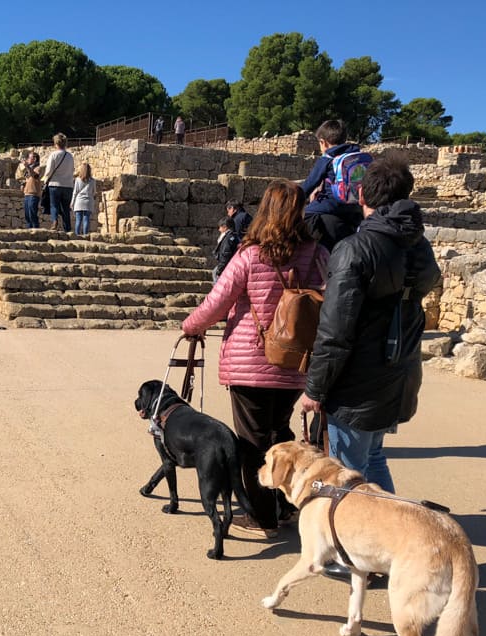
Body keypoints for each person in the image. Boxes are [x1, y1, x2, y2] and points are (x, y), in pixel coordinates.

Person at [298, 156, 441, 576]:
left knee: (347, 475)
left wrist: (315, 390)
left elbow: (336, 330)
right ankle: (399, 545)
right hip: (396, 374)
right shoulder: (418, 245)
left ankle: (355, 558)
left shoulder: (357, 248)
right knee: (373, 459)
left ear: (361, 194)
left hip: (358, 384)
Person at [182, 180, 329, 531]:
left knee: (252, 443)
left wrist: (191, 326)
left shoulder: (250, 254)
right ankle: (286, 503)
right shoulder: (319, 254)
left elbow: (218, 302)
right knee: (281, 434)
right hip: (296, 362)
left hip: (251, 362)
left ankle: (262, 514)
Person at [300, 119, 365, 250]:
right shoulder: (357, 156)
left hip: (329, 207)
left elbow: (309, 184)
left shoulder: (327, 158)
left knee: (301, 218)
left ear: (323, 142)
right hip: (354, 210)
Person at [41, 133, 75, 232]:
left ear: (56, 144)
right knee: (65, 207)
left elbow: (49, 171)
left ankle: (55, 221)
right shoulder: (70, 156)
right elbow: (72, 170)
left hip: (55, 184)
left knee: (54, 204)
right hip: (68, 185)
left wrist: (45, 179)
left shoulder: (54, 155)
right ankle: (67, 227)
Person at [71, 163, 96, 236]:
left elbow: (75, 192)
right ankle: (85, 235)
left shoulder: (78, 180)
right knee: (86, 219)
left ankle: (77, 235)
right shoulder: (93, 181)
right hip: (88, 201)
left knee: (78, 220)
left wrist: (72, 202)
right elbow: (94, 192)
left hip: (79, 201)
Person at [212, 216, 238, 282]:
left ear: (225, 227)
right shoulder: (233, 236)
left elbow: (226, 253)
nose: (219, 230)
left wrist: (220, 268)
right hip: (227, 264)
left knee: (216, 277)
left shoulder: (228, 238)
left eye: (220, 227)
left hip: (225, 265)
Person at [20, 151, 42, 228]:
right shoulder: (29, 169)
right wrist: (23, 184)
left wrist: (27, 166)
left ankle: (36, 232)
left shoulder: (38, 168)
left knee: (32, 215)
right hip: (27, 194)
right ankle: (29, 232)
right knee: (27, 216)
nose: (27, 159)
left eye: (29, 158)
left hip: (34, 194)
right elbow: (27, 178)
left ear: (34, 159)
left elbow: (34, 175)